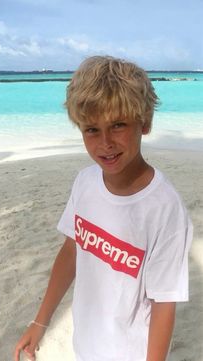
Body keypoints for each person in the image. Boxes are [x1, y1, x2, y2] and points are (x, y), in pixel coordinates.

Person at [14, 56, 193, 361]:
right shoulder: (85, 182)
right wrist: (40, 321)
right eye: (91, 130)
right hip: (86, 344)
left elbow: (164, 303)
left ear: (145, 122)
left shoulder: (164, 207)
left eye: (118, 125)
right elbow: (71, 251)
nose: (105, 143)